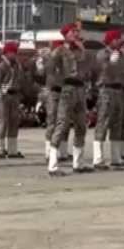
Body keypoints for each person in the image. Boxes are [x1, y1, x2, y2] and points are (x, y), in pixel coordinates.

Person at [48, 22, 91, 176]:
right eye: (74, 32)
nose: (77, 34)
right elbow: (51, 70)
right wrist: (59, 87)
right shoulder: (59, 51)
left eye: (78, 31)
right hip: (67, 89)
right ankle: (53, 165)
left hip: (80, 89)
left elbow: (88, 70)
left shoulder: (80, 52)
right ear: (66, 34)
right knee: (61, 125)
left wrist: (83, 51)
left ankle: (78, 164)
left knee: (81, 125)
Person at [93, 29, 124, 169]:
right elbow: (107, 69)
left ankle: (116, 157)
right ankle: (98, 158)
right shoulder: (103, 54)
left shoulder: (120, 55)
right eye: (118, 39)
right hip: (106, 89)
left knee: (117, 123)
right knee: (103, 122)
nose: (120, 41)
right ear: (111, 40)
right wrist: (113, 58)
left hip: (119, 90)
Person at [0, 41, 24, 159]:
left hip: (15, 95)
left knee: (14, 122)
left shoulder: (17, 66)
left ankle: (12, 150)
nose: (14, 55)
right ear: (6, 53)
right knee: (3, 122)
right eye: (12, 52)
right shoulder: (1, 67)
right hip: (4, 96)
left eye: (15, 53)